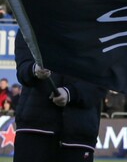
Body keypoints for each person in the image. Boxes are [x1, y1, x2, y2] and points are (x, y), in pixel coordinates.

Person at [14, 32, 105, 162]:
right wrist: (34, 70)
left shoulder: (97, 29)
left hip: (77, 132)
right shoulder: (31, 25)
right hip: (35, 127)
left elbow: (103, 81)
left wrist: (71, 93)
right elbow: (23, 69)